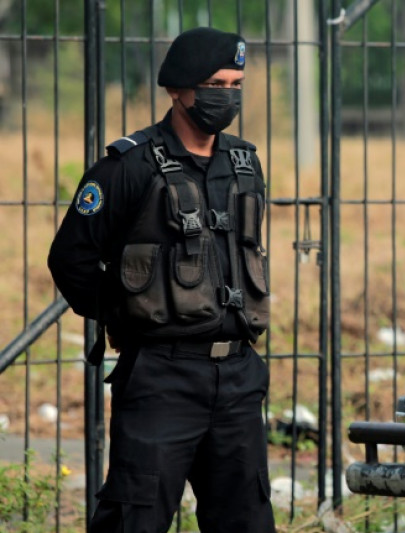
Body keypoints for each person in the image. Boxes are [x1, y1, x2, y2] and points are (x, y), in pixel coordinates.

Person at [48, 28, 274, 532]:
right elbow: (71, 259)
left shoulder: (245, 165)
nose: (228, 96)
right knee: (136, 519)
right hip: (161, 379)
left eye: (236, 84)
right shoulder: (128, 167)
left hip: (238, 379)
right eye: (216, 83)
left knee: (248, 521)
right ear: (178, 89)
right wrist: (122, 311)